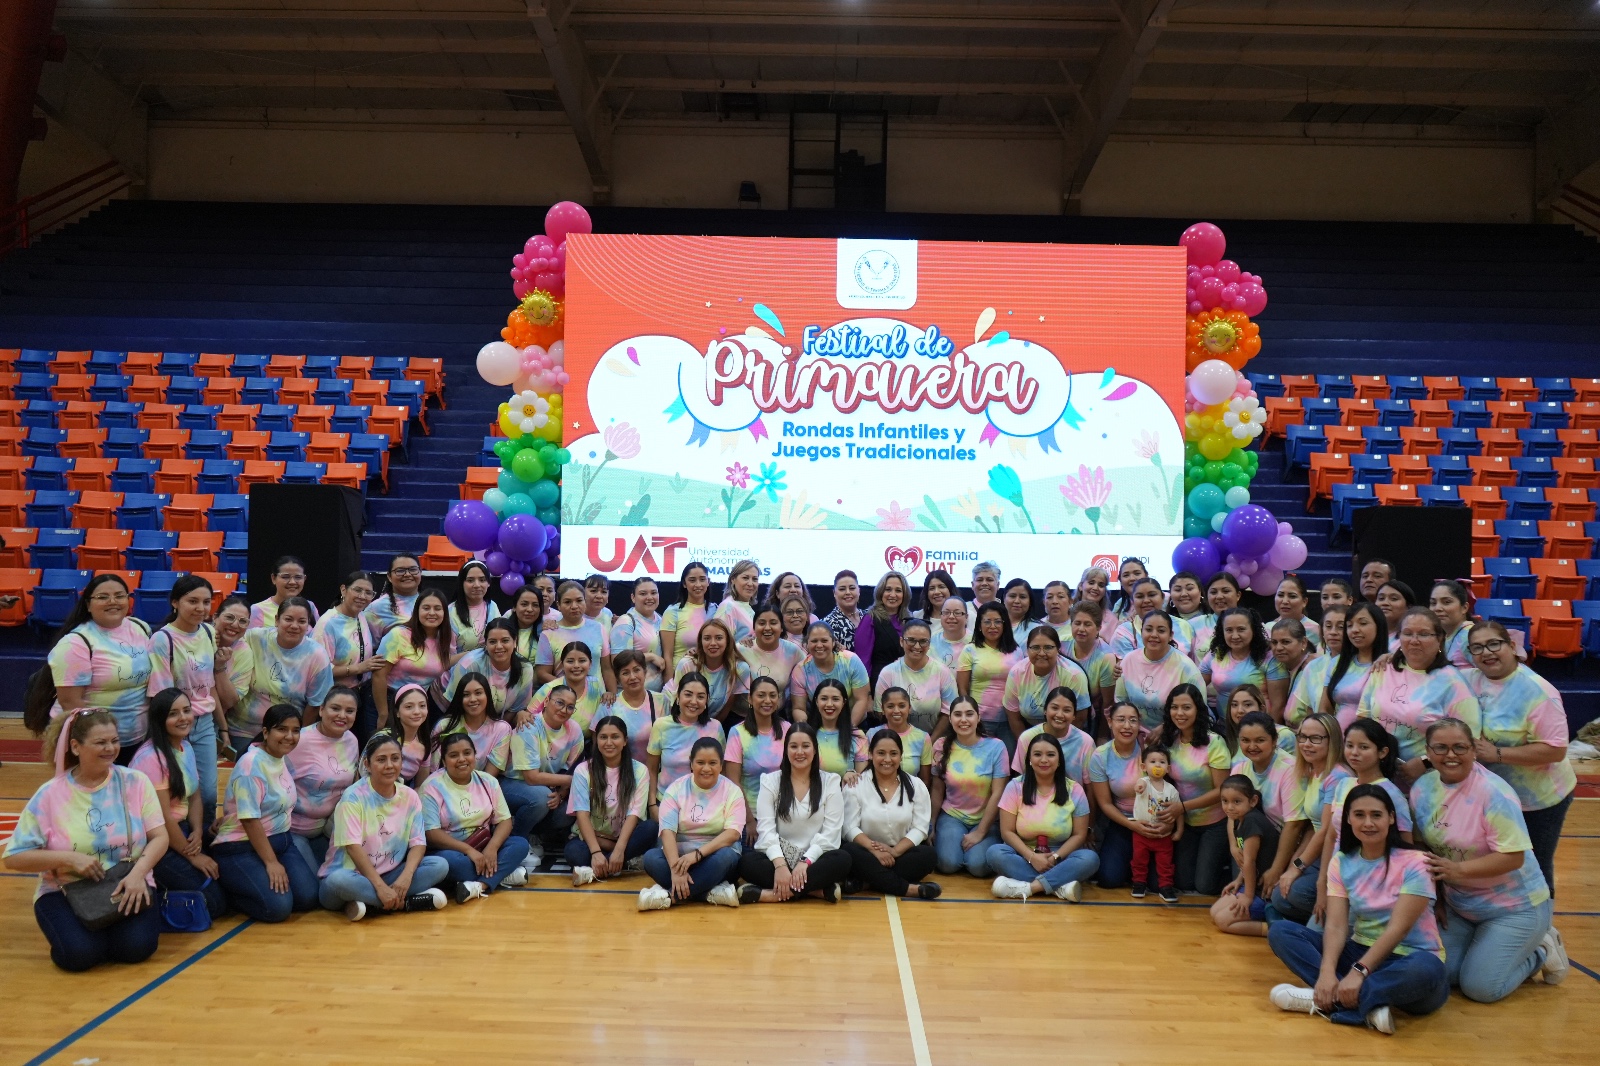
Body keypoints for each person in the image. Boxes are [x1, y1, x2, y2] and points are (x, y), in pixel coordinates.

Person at [1267, 784, 1448, 1035]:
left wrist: (1360, 972)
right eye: (1359, 815)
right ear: (1348, 820)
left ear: (1391, 818)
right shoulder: (1341, 862)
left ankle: (1327, 1001)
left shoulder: (1416, 862)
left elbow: (1399, 928)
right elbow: (1336, 925)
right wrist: (1327, 972)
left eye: (1376, 815)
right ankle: (1363, 1004)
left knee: (1427, 968)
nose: (1368, 823)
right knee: (1281, 932)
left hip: (1408, 960)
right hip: (1360, 949)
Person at [1409, 718, 1566, 1002]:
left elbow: (1513, 857)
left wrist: (1458, 870)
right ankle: (1491, 952)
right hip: (1461, 906)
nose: (1451, 755)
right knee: (1442, 974)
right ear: (1428, 752)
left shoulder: (1495, 793)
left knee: (1480, 988)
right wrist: (1440, 898)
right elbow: (1423, 847)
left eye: (1460, 747)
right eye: (1441, 748)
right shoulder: (1421, 789)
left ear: (1473, 750)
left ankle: (1541, 950)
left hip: (1515, 907)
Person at [4, 708, 168, 972]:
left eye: (114, 741)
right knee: (79, 956)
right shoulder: (50, 794)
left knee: (136, 949)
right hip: (66, 890)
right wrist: (69, 858)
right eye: (100, 742)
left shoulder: (135, 782)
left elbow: (160, 837)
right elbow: (13, 857)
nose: (110, 748)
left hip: (127, 882)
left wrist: (139, 874)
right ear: (75, 746)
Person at [1465, 620, 1576, 895]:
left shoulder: (1538, 691)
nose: (1486, 652)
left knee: (1534, 867)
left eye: (1494, 644)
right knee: (1498, 864)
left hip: (1538, 801)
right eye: (1477, 647)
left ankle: (1546, 933)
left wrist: (1497, 754)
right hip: (1495, 796)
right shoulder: (1468, 680)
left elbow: (1555, 749)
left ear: (1512, 646)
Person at [318, 731, 449, 920]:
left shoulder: (410, 796)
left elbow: (418, 842)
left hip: (389, 874)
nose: (389, 765)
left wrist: (406, 877)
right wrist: (380, 888)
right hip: (350, 876)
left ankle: (366, 905)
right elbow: (353, 848)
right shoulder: (353, 797)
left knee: (439, 865)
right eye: (381, 760)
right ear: (367, 765)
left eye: (395, 759)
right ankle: (405, 903)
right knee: (339, 881)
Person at [211, 704, 319, 922]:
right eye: (282, 729)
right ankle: (228, 892)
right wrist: (271, 863)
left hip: (280, 840)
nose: (289, 736)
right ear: (266, 732)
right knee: (278, 908)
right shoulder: (251, 765)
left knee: (307, 898)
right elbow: (250, 820)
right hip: (241, 846)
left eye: (295, 730)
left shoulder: (281, 758)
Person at [131, 689, 226, 918]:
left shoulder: (186, 747)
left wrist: (197, 831)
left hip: (182, 831)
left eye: (186, 710)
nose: (183, 718)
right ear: (160, 720)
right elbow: (162, 818)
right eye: (174, 714)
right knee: (216, 904)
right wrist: (192, 855)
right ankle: (155, 895)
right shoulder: (151, 759)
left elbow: (193, 796)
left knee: (227, 869)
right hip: (156, 840)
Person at [1358, 606, 1481, 782]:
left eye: (1423, 634)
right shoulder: (1383, 669)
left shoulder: (1453, 683)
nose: (1414, 640)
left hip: (1429, 781)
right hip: (1379, 776)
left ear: (1439, 639)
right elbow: (1363, 718)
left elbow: (1470, 741)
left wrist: (1426, 762)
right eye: (1407, 633)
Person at [37, 574, 153, 755]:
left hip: (137, 738)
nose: (113, 601)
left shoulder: (140, 627)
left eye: (120, 596)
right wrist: (105, 741)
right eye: (102, 597)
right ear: (88, 604)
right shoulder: (75, 643)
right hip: (94, 742)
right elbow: (70, 701)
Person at [1315, 719, 1415, 923]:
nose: (1354, 752)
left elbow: (1407, 847)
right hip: (1339, 879)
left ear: (1382, 752)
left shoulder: (1392, 795)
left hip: (1371, 885)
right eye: (1350, 745)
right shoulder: (1343, 785)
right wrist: (1322, 881)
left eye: (1363, 747)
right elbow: (1332, 836)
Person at [737, 724, 850, 904]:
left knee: (842, 859)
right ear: (786, 750)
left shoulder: (830, 782)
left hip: (814, 861)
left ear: (814, 750)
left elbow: (831, 834)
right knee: (746, 862)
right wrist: (780, 865)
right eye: (793, 746)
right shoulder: (770, 781)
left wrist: (805, 862)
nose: (799, 752)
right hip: (778, 858)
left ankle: (770, 894)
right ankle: (814, 891)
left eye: (805, 746)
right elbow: (766, 830)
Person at [146, 574, 224, 823]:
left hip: (204, 724)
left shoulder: (209, 633)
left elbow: (210, 685)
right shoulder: (162, 639)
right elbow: (162, 695)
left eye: (206, 602)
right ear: (175, 603)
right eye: (193, 601)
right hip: (176, 724)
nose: (201, 608)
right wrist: (174, 729)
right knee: (179, 795)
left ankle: (205, 841)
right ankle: (180, 846)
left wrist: (222, 726)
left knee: (209, 795)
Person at [637, 737, 744, 910]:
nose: (706, 768)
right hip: (679, 858)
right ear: (691, 764)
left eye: (713, 763)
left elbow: (732, 834)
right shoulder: (676, 789)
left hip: (713, 856)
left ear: (721, 765)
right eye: (700, 762)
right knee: (651, 858)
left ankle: (668, 896)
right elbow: (667, 831)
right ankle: (708, 892)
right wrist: (675, 868)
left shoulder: (732, 791)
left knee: (727, 857)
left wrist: (696, 855)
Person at [988, 733, 1098, 901]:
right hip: (1024, 855)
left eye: (1050, 755)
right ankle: (1059, 887)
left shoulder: (1074, 790)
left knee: (1090, 858)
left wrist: (1055, 857)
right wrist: (1032, 857)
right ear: (1029, 760)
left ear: (1059, 760)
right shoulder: (1015, 787)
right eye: (1037, 754)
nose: (1044, 760)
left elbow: (1079, 835)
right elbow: (1007, 832)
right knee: (995, 852)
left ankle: (1030, 888)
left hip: (1061, 857)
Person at [422, 732, 530, 902]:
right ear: (443, 761)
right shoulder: (431, 787)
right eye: (453, 755)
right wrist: (468, 851)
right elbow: (431, 834)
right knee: (456, 865)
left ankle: (479, 885)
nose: (462, 759)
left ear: (474, 755)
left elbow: (505, 821)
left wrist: (492, 848)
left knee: (521, 845)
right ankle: (500, 875)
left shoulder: (488, 781)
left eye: (467, 753)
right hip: (452, 851)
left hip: (483, 846)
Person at [844, 730, 940, 899]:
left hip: (901, 854)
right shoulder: (856, 785)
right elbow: (849, 828)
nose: (887, 759)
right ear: (871, 754)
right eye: (881, 753)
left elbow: (920, 828)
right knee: (849, 851)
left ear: (901, 756)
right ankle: (908, 889)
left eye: (893, 754)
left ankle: (868, 882)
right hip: (867, 853)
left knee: (928, 856)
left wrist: (895, 851)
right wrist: (875, 851)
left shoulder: (916, 785)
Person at [230, 597, 334, 754]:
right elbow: (227, 638)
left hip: (286, 735)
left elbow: (314, 705)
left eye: (301, 621)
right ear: (277, 620)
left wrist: (298, 738)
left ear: (308, 625)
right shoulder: (255, 638)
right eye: (288, 619)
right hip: (243, 729)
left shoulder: (317, 656)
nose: (294, 626)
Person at [1269, 712, 1345, 924]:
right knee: (1279, 895)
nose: (1306, 744)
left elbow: (1326, 832)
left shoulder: (1338, 776)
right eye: (1302, 737)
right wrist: (1294, 862)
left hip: (1335, 854)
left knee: (1294, 894)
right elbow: (1313, 827)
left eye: (1316, 738)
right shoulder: (1313, 771)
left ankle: (1334, 922)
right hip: (1317, 853)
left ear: (1333, 741)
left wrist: (1296, 868)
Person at [1157, 683, 1232, 895]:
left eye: (1186, 707)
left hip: (1215, 824)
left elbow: (1222, 791)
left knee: (1205, 886)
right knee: (1183, 882)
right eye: (1174, 707)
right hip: (1187, 824)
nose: (1179, 713)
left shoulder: (1214, 743)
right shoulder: (1170, 742)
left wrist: (1182, 807)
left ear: (1198, 709)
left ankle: (1229, 866)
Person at [499, 684, 583, 864]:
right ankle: (515, 841)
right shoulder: (529, 726)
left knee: (567, 811)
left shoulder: (574, 730)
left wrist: (561, 793)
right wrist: (572, 780)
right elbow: (531, 777)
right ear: (546, 701)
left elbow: (571, 767)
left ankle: (534, 834)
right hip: (512, 783)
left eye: (570, 707)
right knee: (541, 798)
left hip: (549, 786)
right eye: (559, 703)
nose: (564, 710)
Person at [567, 715, 656, 884]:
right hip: (591, 838)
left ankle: (602, 866)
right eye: (603, 737)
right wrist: (595, 852)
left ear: (625, 741)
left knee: (650, 828)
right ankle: (614, 864)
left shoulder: (640, 771)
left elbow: (634, 813)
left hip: (624, 838)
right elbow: (582, 814)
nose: (609, 742)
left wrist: (620, 849)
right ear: (596, 740)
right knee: (574, 853)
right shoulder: (583, 770)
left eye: (615, 737)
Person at [930, 696, 1009, 877]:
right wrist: (932, 824)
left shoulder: (996, 747)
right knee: (948, 864)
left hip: (986, 820)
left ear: (978, 717)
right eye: (957, 715)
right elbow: (937, 789)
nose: (963, 720)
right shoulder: (940, 746)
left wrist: (981, 832)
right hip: (952, 816)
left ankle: (972, 852)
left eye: (969, 714)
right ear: (950, 719)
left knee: (978, 867)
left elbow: (998, 793)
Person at [285, 686, 361, 871]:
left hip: (329, 830)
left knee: (338, 876)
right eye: (335, 708)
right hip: (292, 830)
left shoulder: (352, 741)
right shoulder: (299, 741)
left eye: (349, 711)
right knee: (312, 890)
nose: (342, 715)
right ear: (321, 709)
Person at [1231, 710, 1304, 897]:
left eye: (1260, 740)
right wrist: (1234, 846)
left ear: (1274, 740)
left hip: (1284, 847)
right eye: (1245, 740)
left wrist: (1277, 869)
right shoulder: (1240, 768)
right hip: (1252, 845)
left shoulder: (1289, 769)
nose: (1252, 746)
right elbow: (1232, 814)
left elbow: (1294, 825)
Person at [1090, 702, 1157, 888]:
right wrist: (1132, 825)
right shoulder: (1100, 756)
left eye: (1133, 720)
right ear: (1110, 722)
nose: (1127, 726)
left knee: (1156, 884)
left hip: (1155, 821)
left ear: (1139, 723)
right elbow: (1105, 804)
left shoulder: (1151, 746)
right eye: (1121, 720)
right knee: (1108, 879)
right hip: (1124, 821)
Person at [313, 571, 383, 743]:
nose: (363, 596)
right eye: (357, 590)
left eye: (368, 593)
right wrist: (358, 668)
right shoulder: (328, 623)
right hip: (335, 697)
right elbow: (319, 670)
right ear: (344, 590)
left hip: (360, 694)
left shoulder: (361, 615)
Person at [373, 588, 455, 729]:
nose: (432, 613)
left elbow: (443, 663)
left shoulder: (444, 638)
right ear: (417, 611)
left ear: (444, 613)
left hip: (418, 705)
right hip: (388, 701)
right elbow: (378, 676)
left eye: (437, 608)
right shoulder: (399, 635)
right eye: (426, 608)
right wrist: (383, 713)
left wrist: (474, 652)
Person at [1209, 775, 1279, 938]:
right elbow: (1249, 860)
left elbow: (1250, 862)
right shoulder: (1238, 820)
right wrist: (1239, 880)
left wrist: (1247, 896)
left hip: (1262, 892)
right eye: (1225, 801)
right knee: (1214, 912)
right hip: (1251, 886)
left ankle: (1273, 930)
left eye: (1237, 801)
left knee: (1222, 921)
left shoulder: (1251, 821)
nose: (1229, 807)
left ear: (1253, 801)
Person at [1113, 610, 1204, 732]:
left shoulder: (1186, 667)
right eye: (1149, 629)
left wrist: (1166, 728)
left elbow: (1198, 710)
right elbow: (1121, 703)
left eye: (1161, 631)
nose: (1154, 635)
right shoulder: (1128, 661)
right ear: (1141, 631)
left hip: (1176, 734)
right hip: (1133, 734)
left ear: (1171, 635)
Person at [646, 673, 725, 811]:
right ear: (678, 697)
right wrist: (652, 805)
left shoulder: (716, 727)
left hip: (706, 804)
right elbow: (652, 770)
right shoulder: (661, 725)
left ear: (706, 701)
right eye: (688, 694)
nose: (694, 701)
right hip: (667, 801)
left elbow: (722, 771)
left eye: (700, 697)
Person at [723, 676, 790, 841]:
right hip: (751, 815)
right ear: (750, 698)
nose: (767, 700)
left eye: (773, 695)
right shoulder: (737, 732)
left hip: (785, 814)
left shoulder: (788, 729)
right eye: (761, 695)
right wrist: (749, 820)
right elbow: (734, 782)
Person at [1002, 626, 1091, 745]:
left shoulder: (1074, 675)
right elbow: (1014, 717)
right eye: (1035, 648)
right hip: (1028, 733)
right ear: (1027, 650)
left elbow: (1079, 718)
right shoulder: (1017, 673)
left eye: (1048, 648)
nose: (1042, 653)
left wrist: (1057, 748)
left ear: (1058, 649)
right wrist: (1027, 746)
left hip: (1068, 735)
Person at [438, 617, 533, 724]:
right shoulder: (469, 664)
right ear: (486, 644)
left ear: (515, 642)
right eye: (492, 642)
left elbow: (514, 710)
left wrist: (494, 731)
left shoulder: (525, 669)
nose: (499, 646)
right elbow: (455, 708)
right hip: (447, 708)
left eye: (505, 640)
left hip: (493, 720)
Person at [873, 618, 957, 735]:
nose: (917, 646)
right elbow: (880, 712)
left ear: (929, 644)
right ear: (902, 641)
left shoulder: (942, 672)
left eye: (923, 641)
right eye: (911, 640)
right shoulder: (888, 673)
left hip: (935, 741)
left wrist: (929, 743)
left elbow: (949, 711)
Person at [956, 601, 1022, 750]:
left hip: (1010, 720)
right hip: (980, 720)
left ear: (1005, 624)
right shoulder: (969, 650)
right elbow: (962, 689)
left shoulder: (1017, 651)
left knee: (1008, 765)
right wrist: (970, 716)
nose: (993, 626)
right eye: (987, 622)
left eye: (998, 621)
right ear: (979, 625)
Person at [1202, 607, 1284, 717]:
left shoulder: (1270, 658)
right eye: (1229, 630)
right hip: (1223, 728)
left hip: (1259, 728)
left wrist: (1269, 732)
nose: (1235, 636)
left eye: (1241, 629)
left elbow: (1278, 706)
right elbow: (1194, 686)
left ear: (1253, 630)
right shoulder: (1215, 654)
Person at [536, 580, 614, 693]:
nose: (574, 606)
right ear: (558, 605)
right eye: (567, 602)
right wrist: (569, 688)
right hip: (565, 701)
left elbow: (607, 669)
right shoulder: (549, 633)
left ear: (585, 601)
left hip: (597, 700)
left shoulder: (598, 628)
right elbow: (542, 673)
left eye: (579, 600)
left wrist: (612, 695)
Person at [671, 617, 750, 724]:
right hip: (682, 722)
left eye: (719, 638)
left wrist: (709, 729)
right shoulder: (686, 664)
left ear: (728, 640)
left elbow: (725, 710)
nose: (713, 643)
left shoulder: (739, 669)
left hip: (712, 724)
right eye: (707, 638)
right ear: (700, 641)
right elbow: (675, 704)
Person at [790, 621, 870, 725]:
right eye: (814, 641)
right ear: (806, 644)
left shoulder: (851, 661)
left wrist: (848, 730)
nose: (819, 645)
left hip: (854, 722)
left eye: (824, 640)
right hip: (820, 725)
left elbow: (862, 700)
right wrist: (808, 731)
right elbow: (799, 709)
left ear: (833, 642)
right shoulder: (800, 670)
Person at [1128, 747, 1182, 901]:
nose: (1157, 765)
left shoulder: (1172, 790)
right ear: (1144, 767)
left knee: (1165, 863)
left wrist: (1179, 830)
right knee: (1139, 860)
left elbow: (1178, 811)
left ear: (1168, 768)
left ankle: (1165, 887)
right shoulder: (1144, 782)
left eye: (1162, 762)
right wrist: (1139, 787)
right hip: (1141, 832)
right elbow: (1139, 785)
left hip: (1163, 834)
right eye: (1152, 762)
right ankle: (1139, 883)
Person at [1011, 686, 1094, 784]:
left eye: (1066, 710)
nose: (1059, 714)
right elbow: (1020, 780)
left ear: (1074, 716)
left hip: (1073, 797)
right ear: (1045, 710)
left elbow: (1090, 786)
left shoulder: (1085, 741)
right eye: (1054, 708)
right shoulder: (1027, 738)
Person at [431, 672, 511, 774]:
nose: (473, 699)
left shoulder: (502, 729)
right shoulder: (444, 726)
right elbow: (434, 771)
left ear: (487, 695)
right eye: (466, 695)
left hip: (480, 785)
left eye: (478, 693)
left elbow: (489, 777)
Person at [1322, 602, 1385, 729]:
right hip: (1338, 739)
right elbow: (1325, 708)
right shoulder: (1337, 662)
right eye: (1349, 625)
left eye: (1363, 623)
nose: (1355, 630)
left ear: (1379, 626)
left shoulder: (1387, 664)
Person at [606, 649, 668, 765]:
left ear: (645, 672)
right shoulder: (609, 705)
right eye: (625, 673)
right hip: (622, 774)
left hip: (655, 772)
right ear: (618, 679)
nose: (632, 677)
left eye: (636, 670)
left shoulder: (662, 701)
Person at [1287, 606, 1345, 728]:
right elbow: (1297, 713)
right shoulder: (1313, 666)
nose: (1333, 632)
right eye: (1328, 626)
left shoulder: (1363, 664)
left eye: (1341, 627)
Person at [531, 641, 605, 734]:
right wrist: (521, 715)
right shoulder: (549, 688)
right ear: (562, 665)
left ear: (590, 664)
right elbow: (527, 716)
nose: (576, 666)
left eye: (582, 661)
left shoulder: (596, 685)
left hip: (589, 743)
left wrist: (608, 695)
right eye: (570, 661)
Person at [211, 596, 253, 759]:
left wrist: (219, 668)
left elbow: (229, 701)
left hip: (211, 722)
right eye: (229, 617)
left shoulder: (244, 652)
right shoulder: (198, 638)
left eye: (243, 621)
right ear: (215, 617)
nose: (235, 625)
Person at [1110, 577, 1195, 658]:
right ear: (1133, 601)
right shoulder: (1123, 633)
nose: (1146, 600)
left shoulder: (1184, 626)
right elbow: (1126, 668)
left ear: (1162, 597)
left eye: (1152, 595)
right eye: (1140, 596)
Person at [805, 677, 869, 784]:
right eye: (824, 698)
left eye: (835, 699)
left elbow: (863, 781)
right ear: (816, 701)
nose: (829, 704)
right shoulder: (804, 734)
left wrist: (851, 775)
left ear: (843, 702)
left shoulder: (857, 736)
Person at [854, 570, 913, 685]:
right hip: (879, 683)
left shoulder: (909, 620)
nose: (893, 594)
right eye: (888, 589)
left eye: (898, 590)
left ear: (904, 595)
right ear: (881, 592)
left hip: (907, 682)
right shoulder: (870, 619)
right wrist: (867, 693)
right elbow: (863, 662)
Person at [610, 576, 667, 691]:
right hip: (631, 696)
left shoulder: (662, 620)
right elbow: (617, 660)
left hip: (657, 697)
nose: (649, 597)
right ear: (633, 597)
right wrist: (650, 656)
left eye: (653, 593)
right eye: (643, 593)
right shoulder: (626, 622)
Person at [1065, 601, 1116, 724]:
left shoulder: (1106, 657)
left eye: (1087, 624)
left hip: (1092, 718)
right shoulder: (1062, 645)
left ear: (1098, 628)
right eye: (1077, 623)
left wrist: (1102, 735)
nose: (1081, 629)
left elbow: (1107, 703)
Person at [870, 687, 932, 783]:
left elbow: (925, 780)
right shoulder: (872, 734)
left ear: (909, 708)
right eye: (890, 706)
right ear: (882, 709)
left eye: (902, 706)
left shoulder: (922, 738)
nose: (896, 711)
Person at [660, 560, 712, 667]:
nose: (698, 584)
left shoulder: (716, 610)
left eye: (702, 579)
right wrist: (670, 683)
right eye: (692, 580)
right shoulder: (672, 612)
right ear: (684, 583)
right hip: (680, 676)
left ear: (708, 582)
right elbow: (667, 656)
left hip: (710, 677)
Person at [249, 555, 319, 629]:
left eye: (298, 577)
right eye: (285, 577)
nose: (292, 582)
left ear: (304, 579)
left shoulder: (310, 606)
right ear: (273, 578)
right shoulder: (257, 610)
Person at [1221, 685, 1293, 755]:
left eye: (1247, 705)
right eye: (1234, 705)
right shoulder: (1226, 738)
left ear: (1262, 709)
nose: (1240, 710)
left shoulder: (1283, 735)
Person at [387, 683, 436, 788]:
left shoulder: (424, 745)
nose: (417, 712)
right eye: (409, 707)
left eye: (422, 706)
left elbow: (420, 787)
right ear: (397, 712)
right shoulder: (382, 739)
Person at [1270, 618, 1317, 724]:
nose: (1278, 648)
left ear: (1303, 643)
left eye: (1285, 642)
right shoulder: (1277, 668)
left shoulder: (1314, 670)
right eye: (1274, 642)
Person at [447, 560, 500, 655]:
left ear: (488, 583)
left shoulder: (492, 606)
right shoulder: (450, 612)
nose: (477, 585)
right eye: (470, 580)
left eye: (482, 580)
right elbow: (448, 660)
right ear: (461, 583)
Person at [363, 553, 422, 637]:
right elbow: (366, 646)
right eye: (400, 571)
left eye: (413, 569)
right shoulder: (376, 608)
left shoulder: (431, 603)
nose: (408, 574)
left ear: (420, 572)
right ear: (389, 576)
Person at [712, 558, 762, 642]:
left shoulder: (747, 607)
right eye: (745, 578)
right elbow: (719, 644)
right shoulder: (728, 606)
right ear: (733, 580)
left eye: (754, 579)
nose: (750, 583)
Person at [1429, 580, 1475, 669]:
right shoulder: (1444, 636)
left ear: (1464, 608)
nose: (1437, 608)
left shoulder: (1470, 636)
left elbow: (1490, 675)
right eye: (1433, 603)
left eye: (1447, 602)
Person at [1271, 575, 1322, 652]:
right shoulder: (1268, 627)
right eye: (1280, 595)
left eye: (1292, 596)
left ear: (1304, 602)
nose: (1285, 601)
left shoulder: (1315, 630)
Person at [822, 569, 866, 650]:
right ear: (834, 593)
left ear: (859, 591)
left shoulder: (869, 616)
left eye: (852, 588)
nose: (848, 592)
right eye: (842, 589)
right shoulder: (827, 624)